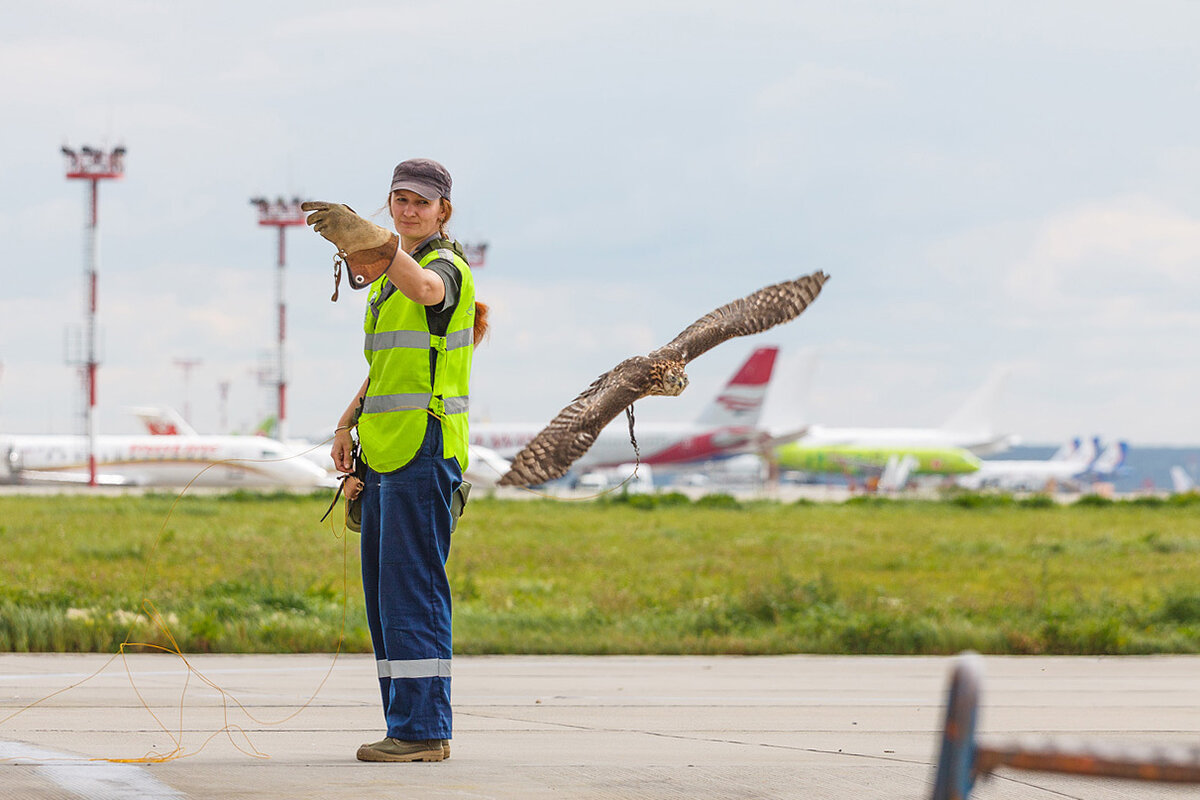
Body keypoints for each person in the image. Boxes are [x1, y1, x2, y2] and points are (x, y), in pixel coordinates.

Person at [327, 158, 485, 763]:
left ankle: (422, 732)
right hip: (387, 452)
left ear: (443, 210)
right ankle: (406, 724)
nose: (409, 210)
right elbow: (384, 372)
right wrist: (347, 425)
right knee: (385, 595)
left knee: (413, 590)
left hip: (424, 448)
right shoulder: (390, 284)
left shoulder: (442, 266)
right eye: (399, 200)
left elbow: (429, 289)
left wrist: (383, 248)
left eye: (422, 202)